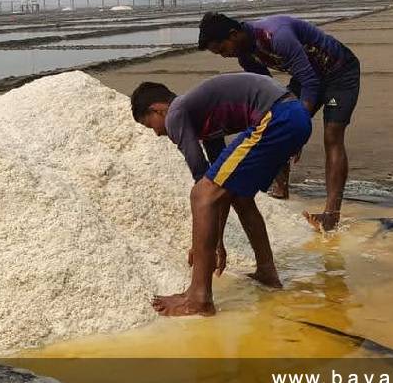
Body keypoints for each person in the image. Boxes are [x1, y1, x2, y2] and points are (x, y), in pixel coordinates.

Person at [131, 73, 311, 316]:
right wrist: (217, 241)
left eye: (149, 124)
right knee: (239, 196)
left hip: (277, 117)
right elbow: (221, 187)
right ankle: (267, 272)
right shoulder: (203, 116)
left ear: (158, 110)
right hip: (295, 115)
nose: (156, 133)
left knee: (199, 195)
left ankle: (199, 298)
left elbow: (202, 185)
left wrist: (207, 245)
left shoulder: (175, 114)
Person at [197, 12, 361, 232]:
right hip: (306, 75)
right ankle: (280, 188)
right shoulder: (246, 57)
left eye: (223, 49)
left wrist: (299, 130)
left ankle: (331, 214)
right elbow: (269, 93)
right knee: (276, 123)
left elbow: (310, 82)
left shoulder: (276, 35)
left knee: (332, 135)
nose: (225, 56)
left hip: (338, 71)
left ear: (234, 34)